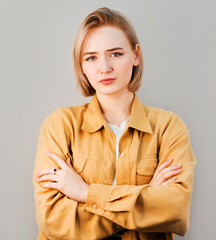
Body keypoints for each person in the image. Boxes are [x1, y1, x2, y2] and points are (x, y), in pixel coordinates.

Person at [32, 7, 197, 240]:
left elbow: (176, 211)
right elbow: (54, 220)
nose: (104, 68)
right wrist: (146, 198)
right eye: (91, 57)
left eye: (116, 54)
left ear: (136, 55)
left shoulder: (169, 127)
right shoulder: (59, 126)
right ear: (82, 66)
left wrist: (86, 193)